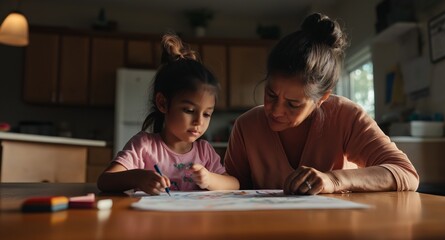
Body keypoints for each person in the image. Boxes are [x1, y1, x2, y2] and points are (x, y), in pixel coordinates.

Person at [224, 13, 419, 195]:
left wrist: (333, 180)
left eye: (293, 104)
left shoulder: (345, 116)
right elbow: (230, 189)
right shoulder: (246, 127)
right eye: (271, 95)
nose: (276, 110)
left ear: (322, 99)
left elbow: (405, 173)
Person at [98, 33, 239, 195]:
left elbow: (234, 184)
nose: (199, 121)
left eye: (207, 114)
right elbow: (105, 180)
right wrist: (138, 177)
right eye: (189, 111)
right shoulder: (144, 146)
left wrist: (209, 179)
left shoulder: (204, 151)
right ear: (163, 103)